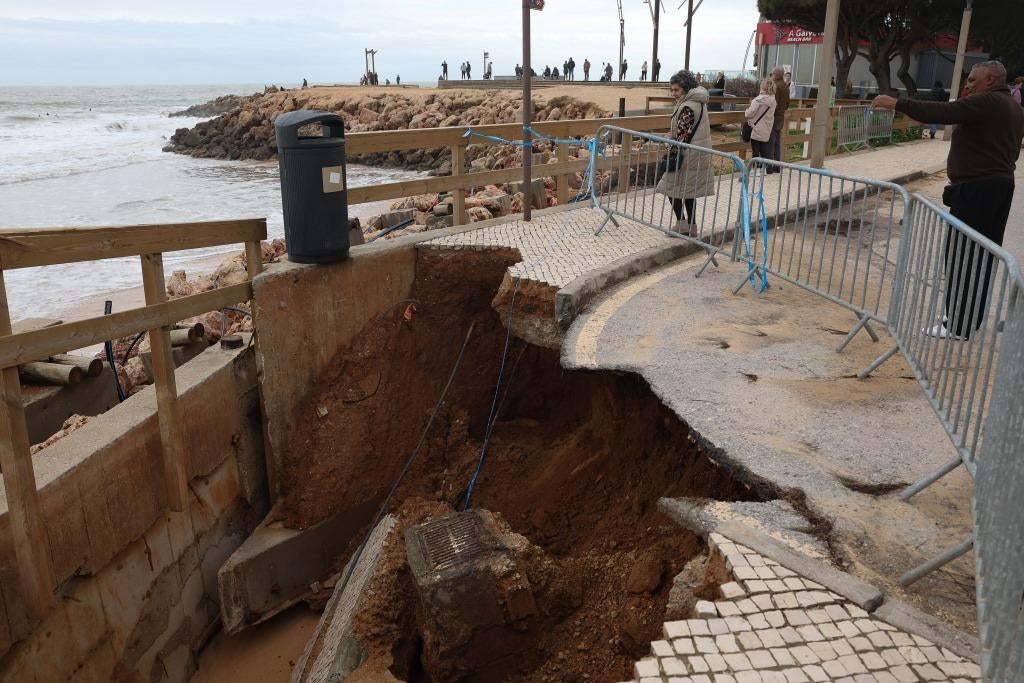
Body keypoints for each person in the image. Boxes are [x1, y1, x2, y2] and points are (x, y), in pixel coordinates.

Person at [872, 60, 1024, 340]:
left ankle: (958, 325)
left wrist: (899, 104)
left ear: (990, 79)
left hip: (978, 190)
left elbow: (945, 112)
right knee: (980, 256)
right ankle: (963, 317)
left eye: (973, 80)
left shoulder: (989, 102)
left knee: (962, 255)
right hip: (997, 186)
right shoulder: (1012, 105)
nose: (968, 85)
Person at [656, 70, 715, 235]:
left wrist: (668, 144)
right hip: (696, 153)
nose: (673, 93)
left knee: (669, 187)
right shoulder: (699, 102)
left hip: (685, 155)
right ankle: (692, 226)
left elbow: (682, 135)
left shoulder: (688, 106)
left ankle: (682, 224)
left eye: (676, 90)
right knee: (689, 191)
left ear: (686, 88)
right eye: (671, 89)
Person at [744, 78, 777, 164]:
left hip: (756, 129)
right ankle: (763, 170)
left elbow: (749, 114)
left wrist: (746, 110)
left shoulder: (758, 100)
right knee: (764, 151)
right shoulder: (773, 101)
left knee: (755, 152)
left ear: (763, 87)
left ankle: (756, 170)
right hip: (766, 130)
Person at [768, 66, 790, 170]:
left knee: (771, 142)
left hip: (773, 117)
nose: (771, 76)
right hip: (781, 117)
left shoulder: (776, 86)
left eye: (772, 74)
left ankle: (771, 166)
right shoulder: (785, 86)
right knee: (777, 142)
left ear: (776, 75)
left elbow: (773, 104)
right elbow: (787, 104)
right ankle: (777, 165)